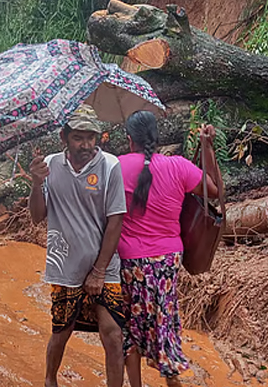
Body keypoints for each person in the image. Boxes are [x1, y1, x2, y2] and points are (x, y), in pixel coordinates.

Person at [116, 111, 219, 387]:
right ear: (157, 138)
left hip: (129, 263)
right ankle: (172, 379)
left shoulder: (116, 167)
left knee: (130, 324)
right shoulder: (179, 167)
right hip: (166, 262)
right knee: (164, 319)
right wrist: (208, 148)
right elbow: (215, 190)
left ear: (129, 140)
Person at [28, 105, 128, 387]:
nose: (86, 145)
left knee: (113, 333)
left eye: (91, 137)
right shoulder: (49, 166)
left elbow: (115, 221)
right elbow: (37, 217)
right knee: (61, 330)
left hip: (104, 267)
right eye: (78, 138)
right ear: (64, 137)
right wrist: (36, 185)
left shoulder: (110, 166)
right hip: (64, 266)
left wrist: (98, 271)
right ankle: (50, 380)